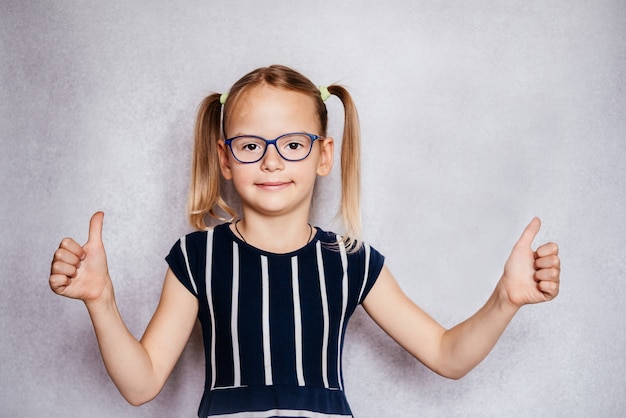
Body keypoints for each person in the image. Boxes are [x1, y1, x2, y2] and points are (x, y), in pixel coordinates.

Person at [49, 65, 561, 418]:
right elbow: (141, 386)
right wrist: (102, 301)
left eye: (293, 144)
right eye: (251, 145)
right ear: (225, 158)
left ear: (323, 155)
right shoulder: (197, 257)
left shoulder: (351, 262)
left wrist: (505, 300)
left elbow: (448, 355)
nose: (272, 161)